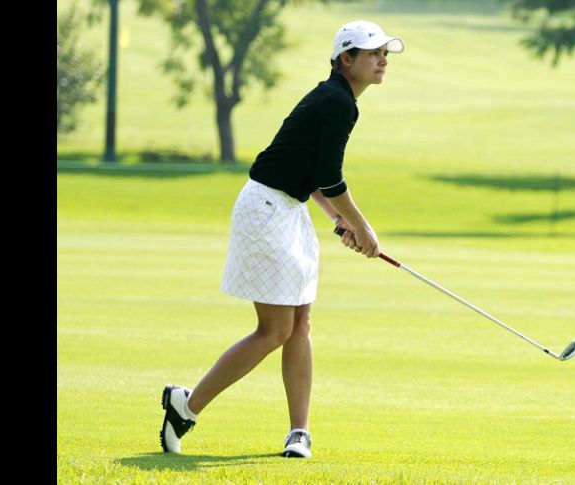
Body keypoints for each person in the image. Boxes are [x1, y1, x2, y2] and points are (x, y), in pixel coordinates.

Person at [159, 20, 405, 459]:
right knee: (274, 330)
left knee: (300, 324)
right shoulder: (337, 101)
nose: (383, 60)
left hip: (287, 210)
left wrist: (339, 221)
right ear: (345, 60)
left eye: (385, 53)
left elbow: (313, 177)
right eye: (373, 53)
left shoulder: (337, 98)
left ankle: (298, 433)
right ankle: (186, 405)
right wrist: (362, 227)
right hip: (266, 209)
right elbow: (330, 177)